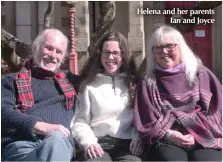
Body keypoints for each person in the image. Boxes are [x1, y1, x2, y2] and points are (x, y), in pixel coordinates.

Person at [133, 25, 222, 161]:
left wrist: (196, 134)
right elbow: (146, 117)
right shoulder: (147, 81)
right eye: (158, 48)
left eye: (169, 46)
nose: (164, 52)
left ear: (180, 47)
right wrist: (170, 134)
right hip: (165, 136)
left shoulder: (201, 74)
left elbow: (216, 110)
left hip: (202, 132)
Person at [1, 28, 80, 161]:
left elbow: (99, 75)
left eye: (59, 52)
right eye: (48, 48)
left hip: (59, 144)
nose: (53, 55)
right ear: (35, 48)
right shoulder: (11, 80)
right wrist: (37, 125)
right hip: (23, 146)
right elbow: (3, 111)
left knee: (56, 138)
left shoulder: (71, 81)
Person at [70, 32, 143, 161]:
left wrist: (138, 137)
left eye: (116, 53)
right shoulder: (88, 86)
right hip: (99, 144)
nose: (110, 57)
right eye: (106, 52)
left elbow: (141, 119)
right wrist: (89, 143)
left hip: (128, 146)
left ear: (124, 56)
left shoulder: (134, 84)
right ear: (99, 55)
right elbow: (79, 121)